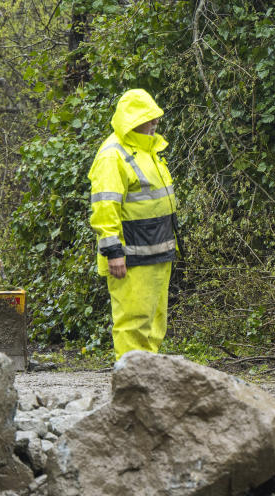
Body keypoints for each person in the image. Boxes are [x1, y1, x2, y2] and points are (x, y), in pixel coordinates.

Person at [88, 89, 178, 360]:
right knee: (133, 321)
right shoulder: (112, 155)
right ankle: (131, 385)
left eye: (155, 117)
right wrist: (114, 253)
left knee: (154, 322)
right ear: (132, 119)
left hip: (156, 251)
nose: (154, 123)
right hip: (130, 256)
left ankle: (148, 380)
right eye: (148, 117)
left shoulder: (147, 150)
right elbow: (105, 208)